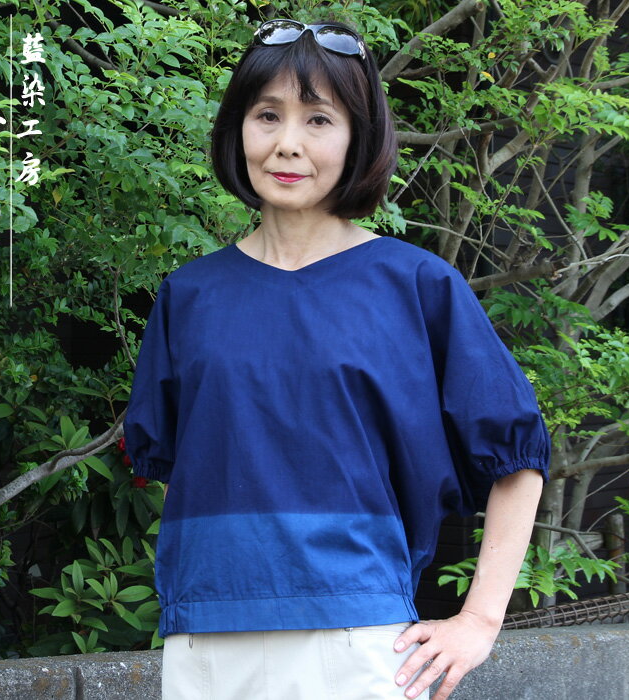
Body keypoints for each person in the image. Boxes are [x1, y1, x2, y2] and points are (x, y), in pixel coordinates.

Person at [123, 18, 551, 700]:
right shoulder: (190, 296)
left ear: (359, 139)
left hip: (360, 642)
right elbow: (176, 470)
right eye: (267, 115)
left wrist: (479, 620)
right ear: (238, 128)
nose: (287, 143)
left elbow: (517, 456)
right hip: (204, 642)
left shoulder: (416, 287)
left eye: (319, 119)